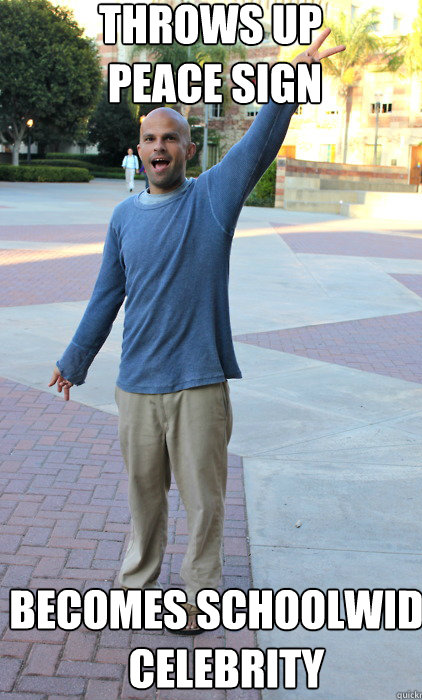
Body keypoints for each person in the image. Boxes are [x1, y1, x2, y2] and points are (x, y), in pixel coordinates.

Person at [49, 29, 345, 634]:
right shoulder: (123, 216)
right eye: (150, 139)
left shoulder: (211, 199)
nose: (159, 148)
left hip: (200, 385)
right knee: (144, 501)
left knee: (205, 504)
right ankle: (137, 586)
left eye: (171, 140)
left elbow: (257, 145)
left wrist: (293, 78)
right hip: (136, 387)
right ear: (140, 149)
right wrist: (76, 359)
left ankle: (199, 598)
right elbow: (108, 295)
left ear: (188, 151)